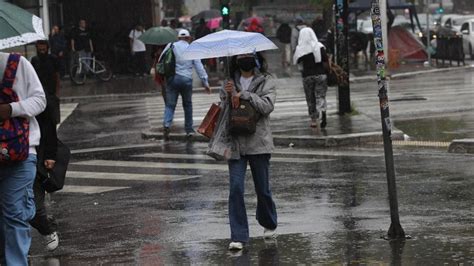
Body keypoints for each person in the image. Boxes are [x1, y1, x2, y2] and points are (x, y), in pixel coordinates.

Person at [222, 52, 278, 251]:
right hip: (235, 143)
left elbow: (267, 106)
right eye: (241, 56)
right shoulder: (229, 82)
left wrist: (245, 95)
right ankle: (238, 235)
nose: (244, 59)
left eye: (248, 55)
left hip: (258, 142)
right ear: (236, 60)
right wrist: (228, 96)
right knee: (235, 189)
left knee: (262, 189)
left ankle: (269, 222)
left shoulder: (266, 81)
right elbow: (223, 111)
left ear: (255, 58)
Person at [0, 52, 46, 265]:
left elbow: (40, 100)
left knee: (15, 214)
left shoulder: (17, 64)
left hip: (21, 153)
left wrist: (11, 109)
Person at [30, 40, 60, 252]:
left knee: (33, 207)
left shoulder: (37, 102)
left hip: (30, 155)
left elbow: (48, 129)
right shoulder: (33, 61)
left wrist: (50, 155)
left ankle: (47, 227)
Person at [161, 29, 211, 140]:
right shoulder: (191, 48)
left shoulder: (171, 45)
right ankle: (189, 130)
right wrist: (205, 82)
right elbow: (199, 66)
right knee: (187, 105)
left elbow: (161, 59)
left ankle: (167, 124)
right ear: (188, 38)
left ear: (178, 38)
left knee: (170, 105)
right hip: (186, 79)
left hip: (172, 79)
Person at [293, 27, 329, 128]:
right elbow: (325, 61)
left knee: (310, 98)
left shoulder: (300, 49)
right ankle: (323, 112)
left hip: (307, 76)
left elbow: (298, 64)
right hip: (321, 75)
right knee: (320, 96)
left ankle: (313, 119)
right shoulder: (319, 47)